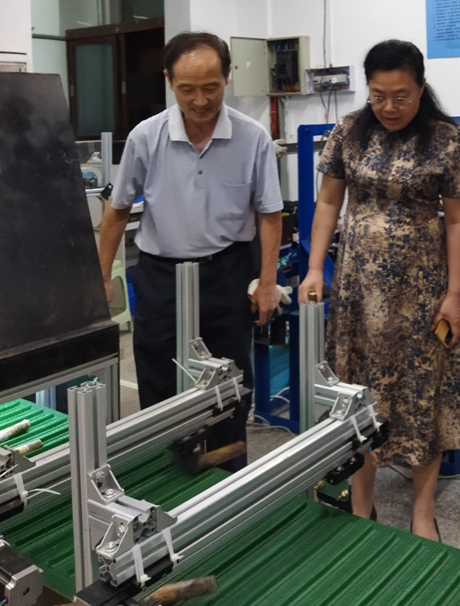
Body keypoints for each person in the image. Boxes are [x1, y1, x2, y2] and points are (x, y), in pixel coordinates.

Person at [298, 39, 460, 541]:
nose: (390, 107)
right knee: (358, 393)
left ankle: (423, 510)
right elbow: (328, 203)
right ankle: (361, 504)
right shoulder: (348, 130)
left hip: (422, 290)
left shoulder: (444, 138)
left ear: (421, 87)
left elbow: (458, 220)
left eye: (401, 96)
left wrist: (454, 294)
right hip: (357, 289)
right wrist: (314, 268)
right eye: (379, 96)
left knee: (424, 392)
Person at [98, 32, 283, 471]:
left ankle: (226, 476)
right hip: (161, 275)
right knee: (158, 372)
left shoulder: (253, 137)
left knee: (229, 376)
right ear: (169, 81)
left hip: (227, 272)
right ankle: (163, 471)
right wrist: (100, 278)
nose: (200, 101)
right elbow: (117, 209)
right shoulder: (146, 136)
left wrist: (268, 281)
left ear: (227, 77)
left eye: (211, 87)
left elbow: (269, 214)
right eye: (187, 89)